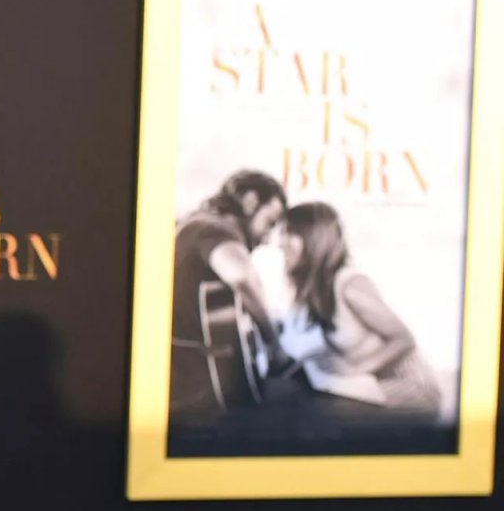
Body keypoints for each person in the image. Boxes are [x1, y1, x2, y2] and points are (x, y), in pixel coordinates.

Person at [277, 200, 440, 410]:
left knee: (319, 418)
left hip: (411, 388)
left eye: (289, 232)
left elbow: (404, 339)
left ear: (313, 238)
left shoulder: (350, 286)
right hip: (372, 383)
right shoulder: (320, 288)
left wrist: (355, 369)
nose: (280, 242)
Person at [168, 169, 287, 418]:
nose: (268, 239)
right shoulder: (217, 228)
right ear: (250, 201)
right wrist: (274, 344)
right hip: (197, 394)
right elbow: (242, 277)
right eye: (270, 222)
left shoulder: (190, 223)